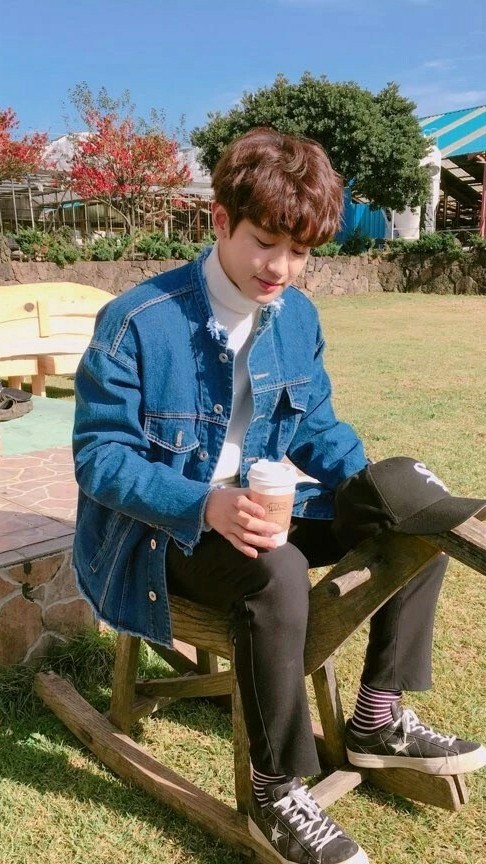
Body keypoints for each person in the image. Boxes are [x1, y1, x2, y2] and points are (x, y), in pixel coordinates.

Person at [72, 127, 486, 864]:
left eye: (300, 252)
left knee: (416, 509)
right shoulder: (137, 320)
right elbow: (100, 459)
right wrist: (206, 504)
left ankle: (377, 718)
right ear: (221, 220)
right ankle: (276, 792)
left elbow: (315, 426)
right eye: (266, 243)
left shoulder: (297, 315)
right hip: (163, 529)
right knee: (278, 570)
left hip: (262, 505)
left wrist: (378, 492)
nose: (283, 268)